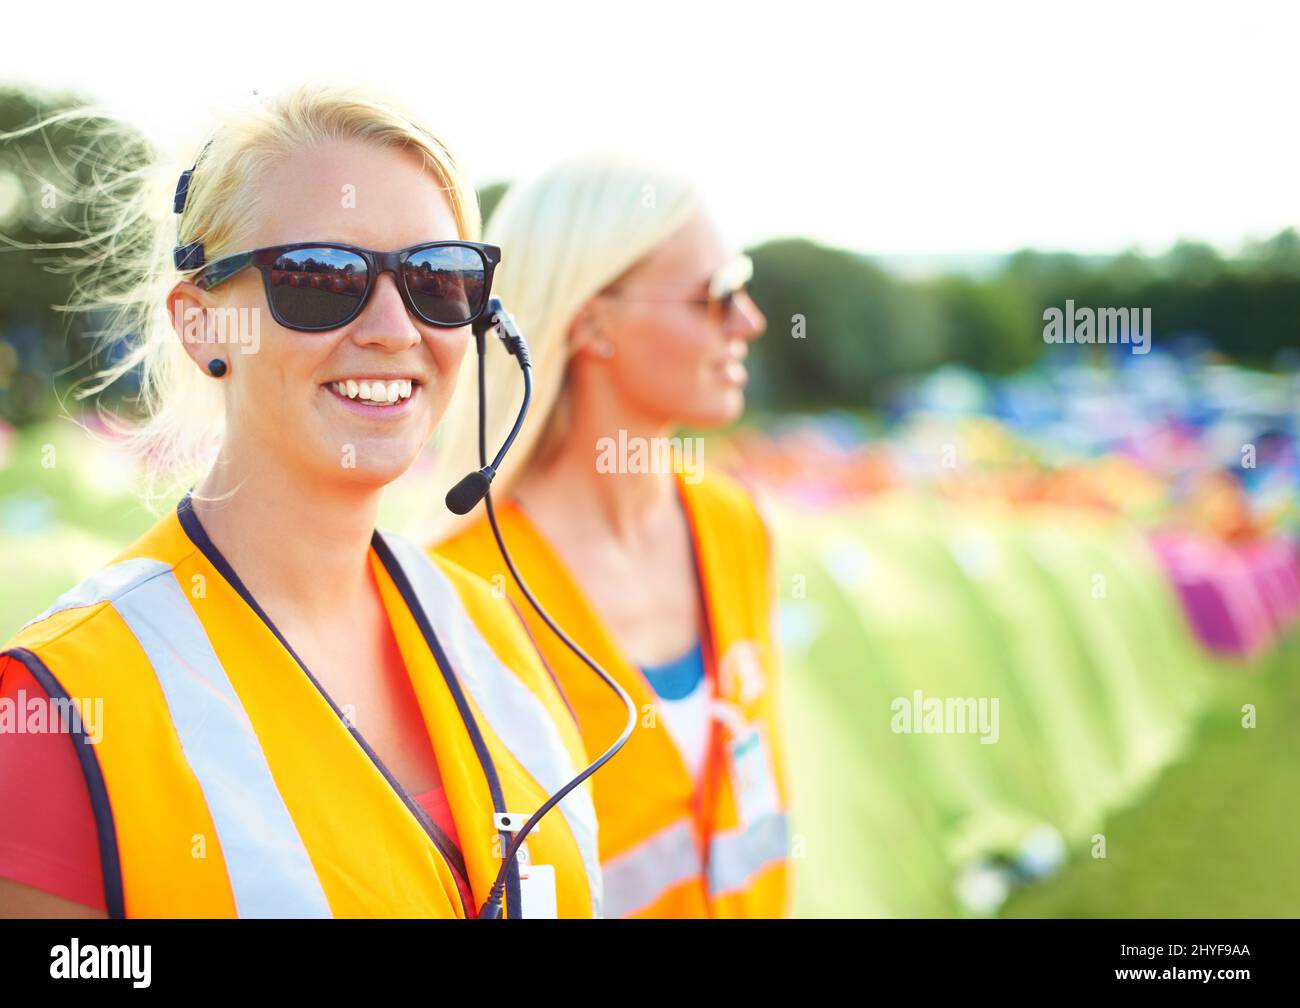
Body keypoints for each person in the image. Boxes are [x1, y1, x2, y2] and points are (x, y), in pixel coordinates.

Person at [0, 80, 600, 919]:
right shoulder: (57, 706)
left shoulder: (492, 632)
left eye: (438, 278)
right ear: (201, 323)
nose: (395, 328)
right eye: (321, 278)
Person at [430, 153, 792, 917]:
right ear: (591, 321)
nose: (751, 321)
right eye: (714, 296)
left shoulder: (736, 525)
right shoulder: (458, 594)